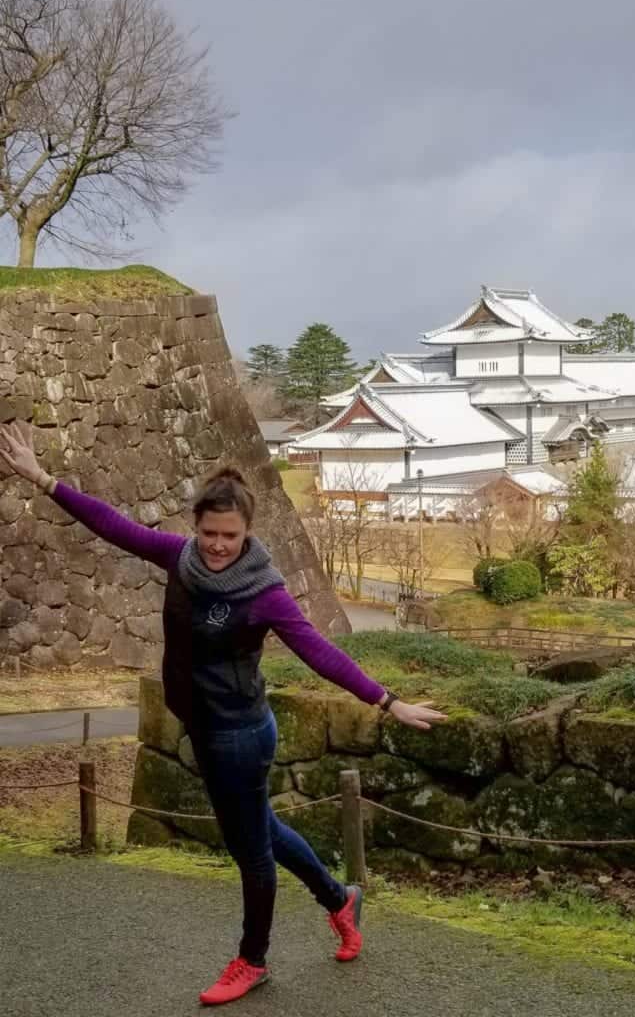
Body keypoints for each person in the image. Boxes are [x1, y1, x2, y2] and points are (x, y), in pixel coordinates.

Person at [0, 421, 446, 1007]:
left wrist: (387, 701)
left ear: (247, 533)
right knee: (261, 829)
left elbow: (319, 651)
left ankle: (253, 961)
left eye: (228, 535)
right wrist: (43, 479)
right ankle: (340, 900)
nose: (216, 545)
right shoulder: (179, 559)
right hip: (205, 729)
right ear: (197, 527)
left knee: (251, 852)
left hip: (241, 734)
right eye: (209, 532)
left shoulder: (264, 591)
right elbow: (114, 525)